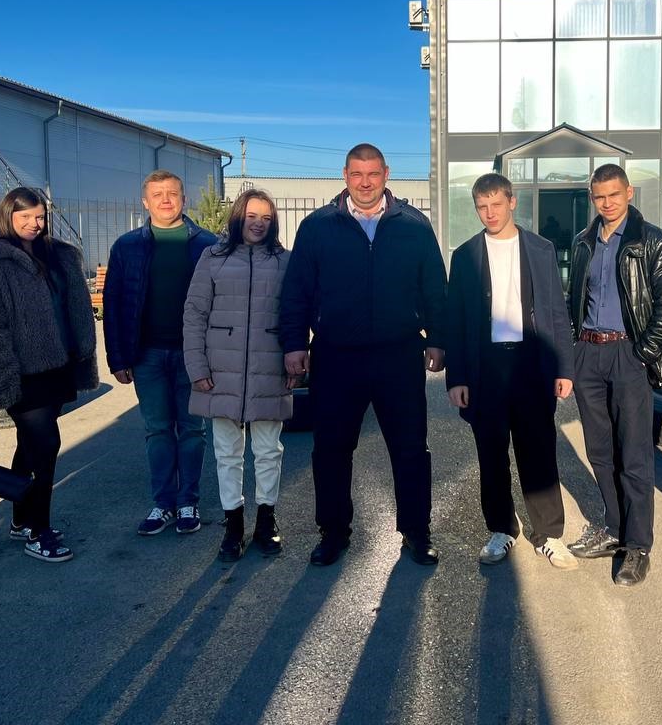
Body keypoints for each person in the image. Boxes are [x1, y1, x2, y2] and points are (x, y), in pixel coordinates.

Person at [279, 143, 447, 567]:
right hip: (336, 356)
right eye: (357, 174)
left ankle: (416, 531)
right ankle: (333, 532)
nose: (365, 182)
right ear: (345, 175)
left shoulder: (414, 226)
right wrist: (294, 343)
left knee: (410, 448)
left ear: (386, 174)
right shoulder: (317, 227)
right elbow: (296, 291)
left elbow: (434, 287)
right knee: (331, 449)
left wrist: (438, 338)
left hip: (398, 354)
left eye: (373, 174)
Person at [565, 163, 662, 587]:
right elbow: (573, 298)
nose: (607, 203)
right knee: (600, 451)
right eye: (599, 196)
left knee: (634, 454)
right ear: (592, 198)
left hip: (628, 354)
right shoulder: (583, 242)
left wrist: (641, 354)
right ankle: (614, 528)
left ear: (629, 193)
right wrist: (573, 351)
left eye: (614, 194)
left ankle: (637, 546)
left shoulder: (652, 242)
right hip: (588, 352)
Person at [445, 173, 577, 570]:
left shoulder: (540, 249)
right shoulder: (465, 255)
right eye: (482, 207)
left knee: (538, 451)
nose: (490, 213)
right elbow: (456, 320)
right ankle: (502, 528)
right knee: (491, 453)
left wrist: (564, 366)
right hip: (485, 368)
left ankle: (549, 534)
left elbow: (556, 311)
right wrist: (457, 377)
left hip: (530, 364)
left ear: (512, 202)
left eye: (496, 204)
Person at [0, 188, 98, 563]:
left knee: (29, 446)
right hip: (22, 374)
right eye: (25, 216)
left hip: (59, 366)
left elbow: (74, 306)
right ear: (7, 216)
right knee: (45, 445)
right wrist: (0, 379)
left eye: (39, 216)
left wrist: (82, 347)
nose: (34, 223)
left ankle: (20, 519)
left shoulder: (57, 254)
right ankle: (39, 532)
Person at [104, 170, 217, 537]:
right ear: (145, 201)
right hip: (147, 355)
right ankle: (163, 503)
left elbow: (222, 304)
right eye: (158, 194)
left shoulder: (208, 244)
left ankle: (188, 502)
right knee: (157, 430)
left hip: (193, 355)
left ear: (184, 199)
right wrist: (118, 357)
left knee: (192, 429)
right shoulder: (126, 247)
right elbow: (114, 304)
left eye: (172, 193)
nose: (166, 200)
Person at [184, 189, 291, 562]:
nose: (258, 223)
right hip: (220, 372)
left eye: (266, 217)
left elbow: (296, 315)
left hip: (269, 369)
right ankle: (233, 524)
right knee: (227, 452)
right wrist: (197, 367)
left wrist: (296, 362)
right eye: (251, 216)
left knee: (269, 451)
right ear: (237, 218)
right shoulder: (212, 258)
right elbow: (194, 314)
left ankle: (266, 520)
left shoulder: (284, 261)